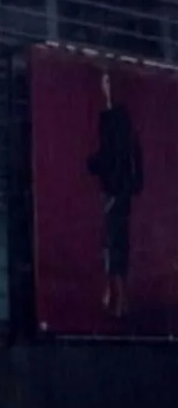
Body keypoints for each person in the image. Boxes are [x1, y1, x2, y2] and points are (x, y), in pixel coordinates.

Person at [86, 72, 144, 318]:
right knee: (112, 242)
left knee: (114, 243)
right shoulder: (111, 118)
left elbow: (114, 154)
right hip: (115, 191)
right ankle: (114, 293)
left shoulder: (116, 119)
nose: (104, 86)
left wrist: (95, 165)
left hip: (116, 192)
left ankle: (118, 295)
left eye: (108, 81)